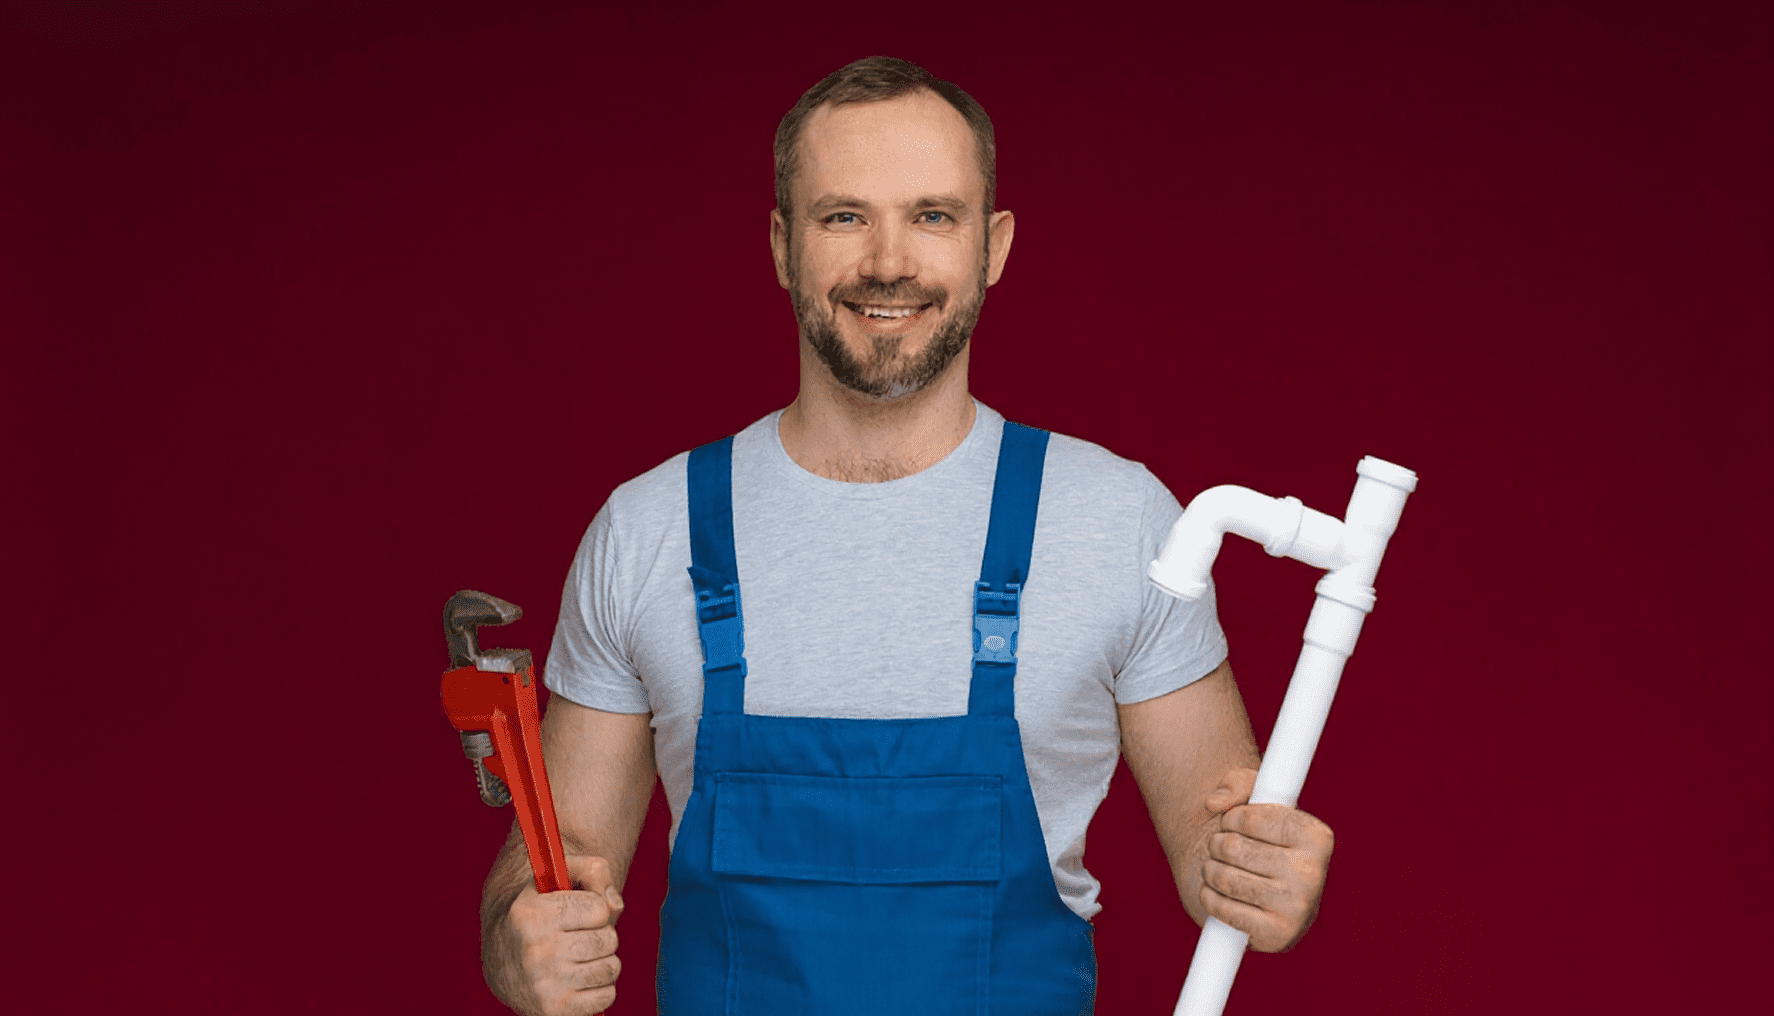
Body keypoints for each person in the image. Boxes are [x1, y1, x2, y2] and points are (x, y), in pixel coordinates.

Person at [478, 56, 1334, 1016]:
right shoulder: (646, 531)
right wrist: (523, 949)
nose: (888, 261)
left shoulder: (1120, 522)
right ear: (780, 242)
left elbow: (1223, 852)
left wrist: (1270, 880)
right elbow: (548, 876)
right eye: (844, 216)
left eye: (934, 215)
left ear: (993, 245)